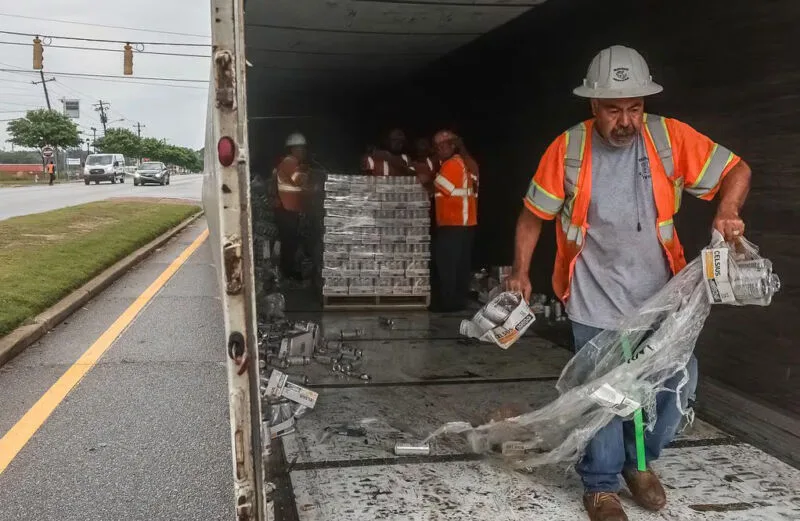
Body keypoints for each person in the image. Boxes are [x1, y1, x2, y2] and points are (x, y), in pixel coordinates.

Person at [505, 46, 751, 521]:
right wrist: (520, 270)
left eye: (634, 108)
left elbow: (736, 169)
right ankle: (600, 485)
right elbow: (532, 217)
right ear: (593, 106)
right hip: (593, 294)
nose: (626, 120)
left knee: (673, 384)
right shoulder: (568, 149)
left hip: (660, 296)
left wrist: (727, 207)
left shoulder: (668, 138)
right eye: (614, 109)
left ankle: (639, 464)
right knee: (603, 393)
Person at [431, 130, 478, 311]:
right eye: (437, 147)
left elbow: (443, 187)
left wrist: (428, 178)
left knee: (447, 265)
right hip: (464, 225)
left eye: (442, 146)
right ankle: (457, 302)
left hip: (453, 224)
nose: (439, 150)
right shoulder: (464, 163)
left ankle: (448, 303)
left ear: (452, 146)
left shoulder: (451, 164)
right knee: (460, 266)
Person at [273, 132, 310, 281]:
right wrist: (310, 176)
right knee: (289, 242)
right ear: (293, 149)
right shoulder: (290, 162)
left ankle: (288, 270)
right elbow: (299, 180)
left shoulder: (293, 163)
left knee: (291, 241)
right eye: (301, 149)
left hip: (289, 210)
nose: (303, 152)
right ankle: (287, 273)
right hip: (285, 210)